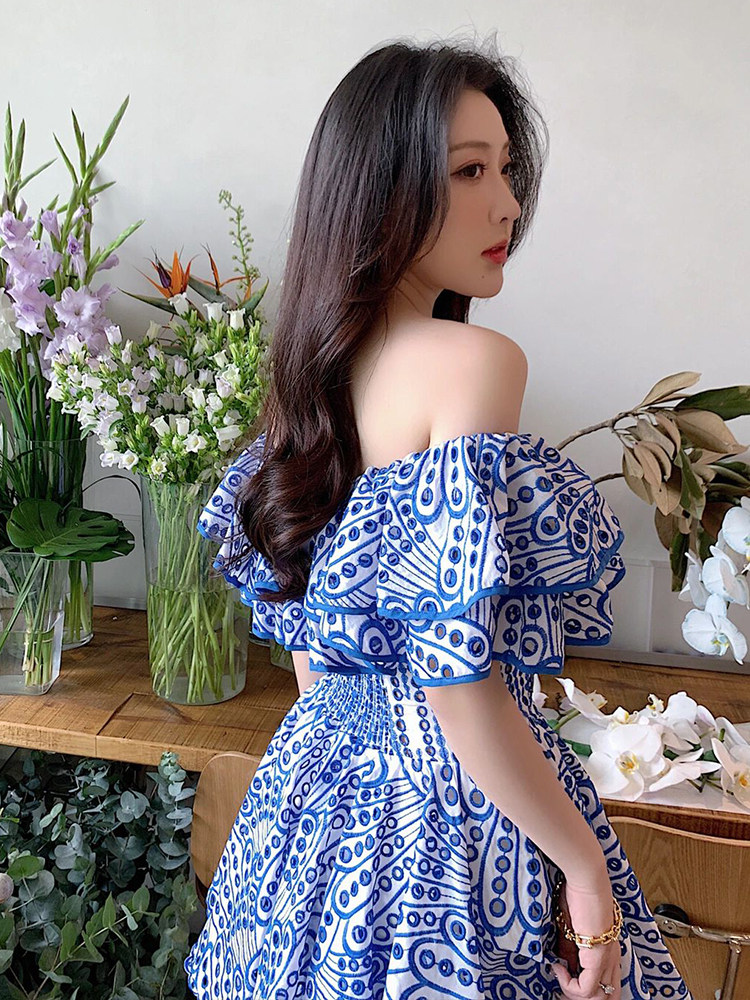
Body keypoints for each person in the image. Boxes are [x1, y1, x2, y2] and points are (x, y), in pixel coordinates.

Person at [185, 34, 693, 1000]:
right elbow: (458, 689)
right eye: (469, 171)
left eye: (506, 170)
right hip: (453, 820)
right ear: (380, 191)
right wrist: (585, 873)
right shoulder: (474, 363)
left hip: (313, 804)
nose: (508, 205)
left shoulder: (313, 383)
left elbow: (315, 662)